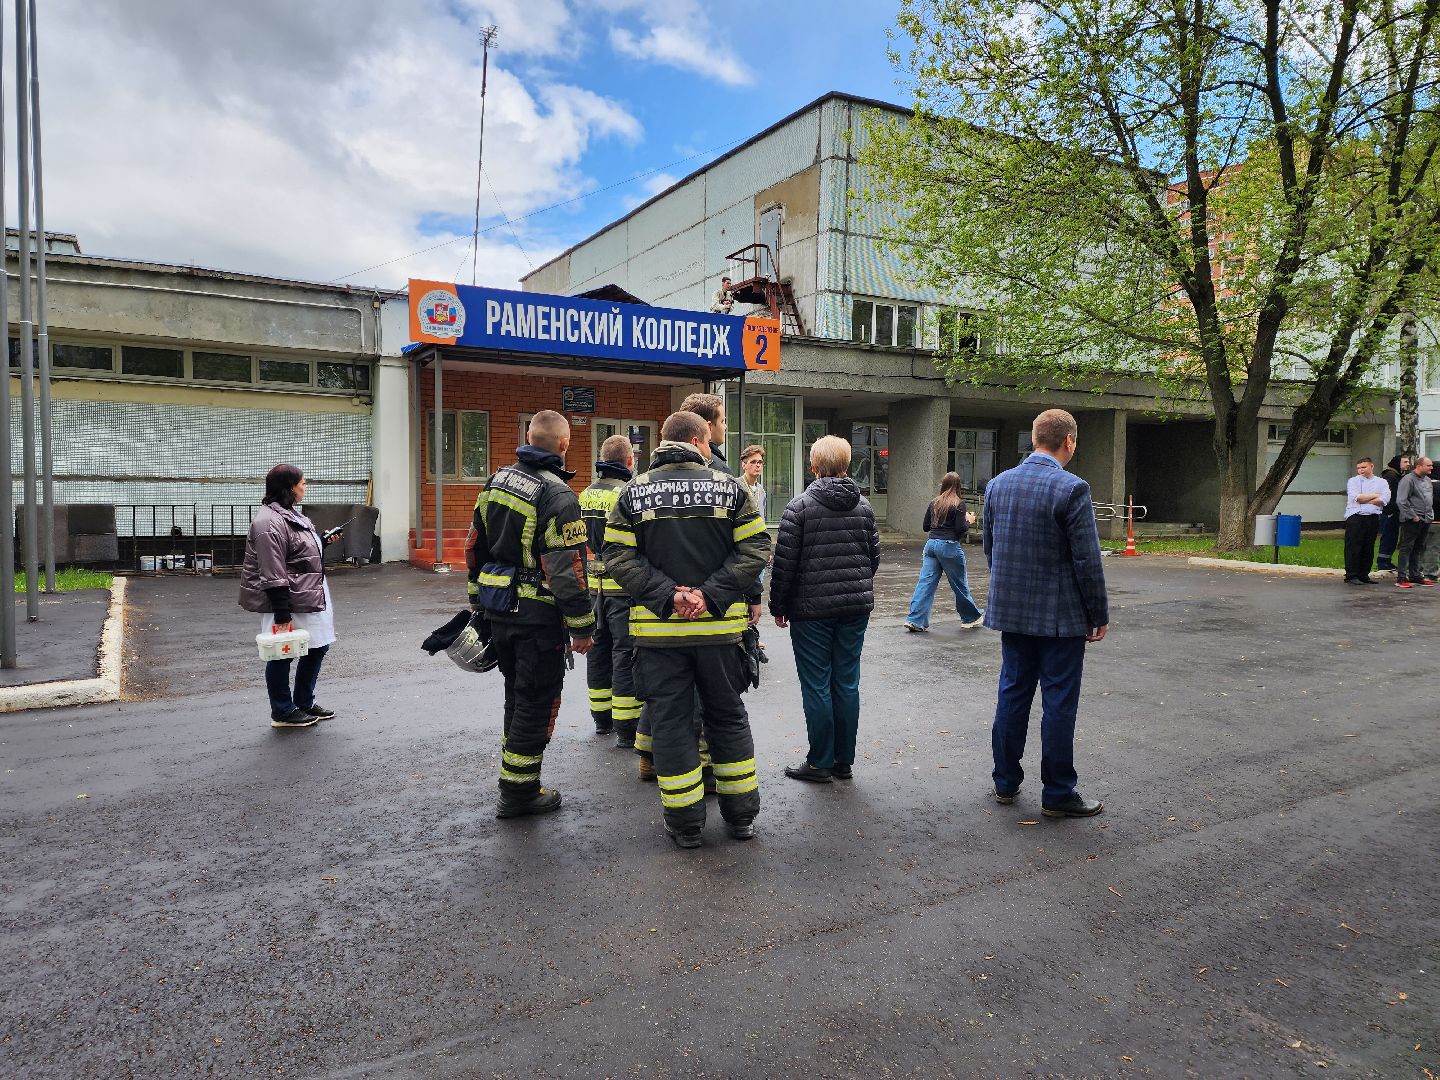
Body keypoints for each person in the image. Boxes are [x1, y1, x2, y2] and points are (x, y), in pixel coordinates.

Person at [604, 410, 771, 848]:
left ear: (663, 441)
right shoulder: (732, 488)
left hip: (659, 636)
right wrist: (709, 596)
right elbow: (756, 548)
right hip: (720, 634)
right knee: (727, 717)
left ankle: (686, 825)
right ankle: (741, 818)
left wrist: (669, 596)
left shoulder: (634, 491)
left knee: (672, 725)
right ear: (701, 441)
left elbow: (617, 557)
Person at [467, 410, 594, 818]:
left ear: (527, 436)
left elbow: (474, 546)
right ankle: (519, 793)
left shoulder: (496, 481)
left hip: (499, 609)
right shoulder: (558, 495)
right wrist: (582, 626)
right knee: (536, 701)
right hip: (537, 618)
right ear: (564, 444)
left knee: (517, 696)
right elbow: (566, 569)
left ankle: (516, 780)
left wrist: (478, 604)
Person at [983, 409, 1109, 818]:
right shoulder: (1072, 488)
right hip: (1061, 618)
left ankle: (1005, 781)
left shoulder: (998, 485)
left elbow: (991, 549)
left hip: (1013, 612)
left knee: (1012, 692)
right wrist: (1097, 612)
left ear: (1035, 439)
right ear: (1068, 441)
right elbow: (1087, 560)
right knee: (1058, 702)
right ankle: (1057, 793)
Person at [768, 435, 880, 783]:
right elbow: (873, 558)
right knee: (846, 682)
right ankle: (843, 761)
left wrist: (778, 605)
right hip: (855, 607)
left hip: (811, 611)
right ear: (847, 465)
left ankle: (820, 762)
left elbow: (784, 564)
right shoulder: (864, 507)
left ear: (813, 466)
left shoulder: (799, 507)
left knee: (817, 684)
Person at [238, 464, 344, 729]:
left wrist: (322, 541)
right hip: (287, 600)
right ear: (289, 487)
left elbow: (297, 552)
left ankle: (304, 702)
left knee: (318, 646)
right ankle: (283, 711)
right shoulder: (268, 522)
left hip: (307, 595)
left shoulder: (289, 513)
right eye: (303, 483)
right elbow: (272, 570)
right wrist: (282, 613)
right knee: (281, 653)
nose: (305, 487)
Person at [580, 434, 640, 746]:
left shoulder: (585, 494)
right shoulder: (627, 493)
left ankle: (601, 718)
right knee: (624, 651)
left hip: (594, 586)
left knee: (597, 648)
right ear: (629, 461)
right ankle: (627, 726)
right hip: (622, 587)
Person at [904, 472, 984, 632]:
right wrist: (969, 520)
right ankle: (970, 617)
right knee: (959, 584)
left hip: (931, 546)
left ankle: (915, 620)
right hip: (949, 546)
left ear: (943, 484)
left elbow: (926, 527)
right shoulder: (959, 504)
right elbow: (960, 529)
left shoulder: (934, 502)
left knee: (925, 583)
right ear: (958, 486)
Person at [1342, 456, 1389, 584]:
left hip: (1373, 516)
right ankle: (1351, 575)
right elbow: (1357, 498)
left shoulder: (1382, 482)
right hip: (1356, 516)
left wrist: (1368, 499)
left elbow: (1385, 499)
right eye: (1359, 468)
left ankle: (1363, 574)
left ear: (1371, 466)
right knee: (1354, 546)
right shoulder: (1353, 481)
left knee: (1368, 546)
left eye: (1364, 467)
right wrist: (1375, 495)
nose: (1361, 470)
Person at [1393, 455, 1435, 588]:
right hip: (1412, 520)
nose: (1431, 467)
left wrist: (1430, 515)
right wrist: (1412, 516)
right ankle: (1401, 577)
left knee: (1419, 547)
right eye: (1428, 465)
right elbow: (1401, 500)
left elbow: (1429, 499)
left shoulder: (1427, 480)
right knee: (1407, 548)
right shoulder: (1408, 480)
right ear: (1419, 466)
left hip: (1426, 519)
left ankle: (1415, 575)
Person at [1376, 454, 1410, 572]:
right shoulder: (1390, 476)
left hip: (1394, 512)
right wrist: (1390, 511)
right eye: (1405, 462)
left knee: (1392, 537)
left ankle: (1386, 561)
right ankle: (1383, 562)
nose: (1408, 464)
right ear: (1397, 463)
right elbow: (1388, 495)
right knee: (1388, 537)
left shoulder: (1397, 475)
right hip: (1389, 513)